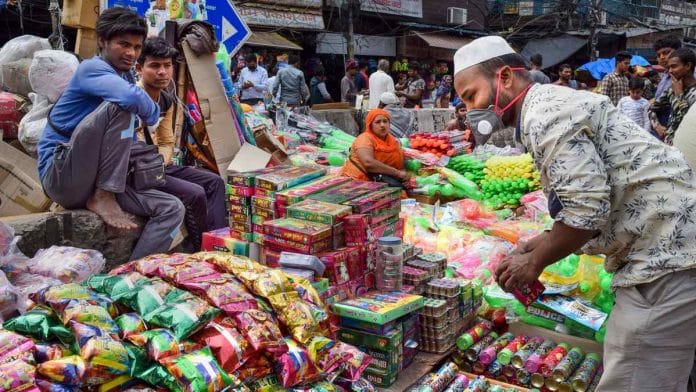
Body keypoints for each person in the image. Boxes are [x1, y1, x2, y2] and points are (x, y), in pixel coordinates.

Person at [453, 35, 696, 392]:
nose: (472, 110)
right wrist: (537, 244)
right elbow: (584, 200)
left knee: (634, 372)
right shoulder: (548, 104)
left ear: (504, 77)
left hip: (666, 256)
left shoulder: (543, 115)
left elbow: (585, 213)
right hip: (664, 247)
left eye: (472, 96)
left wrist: (534, 263)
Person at [37, 8, 184, 260]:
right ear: (103, 41)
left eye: (137, 47)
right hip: (60, 174)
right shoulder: (91, 69)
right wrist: (150, 115)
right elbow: (131, 98)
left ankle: (133, 273)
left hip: (91, 177)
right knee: (123, 106)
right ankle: (104, 196)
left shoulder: (123, 74)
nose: (131, 53)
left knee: (172, 208)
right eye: (123, 44)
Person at [135, 37, 226, 251]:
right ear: (140, 68)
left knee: (215, 182)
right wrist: (156, 164)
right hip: (139, 171)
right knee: (194, 193)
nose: (163, 72)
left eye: (167, 66)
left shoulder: (165, 99)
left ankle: (218, 243)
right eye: (154, 66)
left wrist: (162, 161)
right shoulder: (133, 99)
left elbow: (167, 140)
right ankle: (202, 249)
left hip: (160, 164)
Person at [341, 108, 410, 188]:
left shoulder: (393, 141)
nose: (382, 125)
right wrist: (397, 173)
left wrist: (404, 177)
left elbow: (399, 162)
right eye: (378, 122)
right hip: (358, 183)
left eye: (385, 121)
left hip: (382, 181)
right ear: (370, 125)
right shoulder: (365, 138)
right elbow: (368, 163)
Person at [651, 48, 696, 145]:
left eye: (674, 66)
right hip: (668, 146)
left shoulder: (686, 91)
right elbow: (651, 109)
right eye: (669, 67)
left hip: (686, 147)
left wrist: (679, 95)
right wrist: (657, 126)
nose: (670, 71)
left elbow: (687, 121)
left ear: (688, 66)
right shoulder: (671, 89)